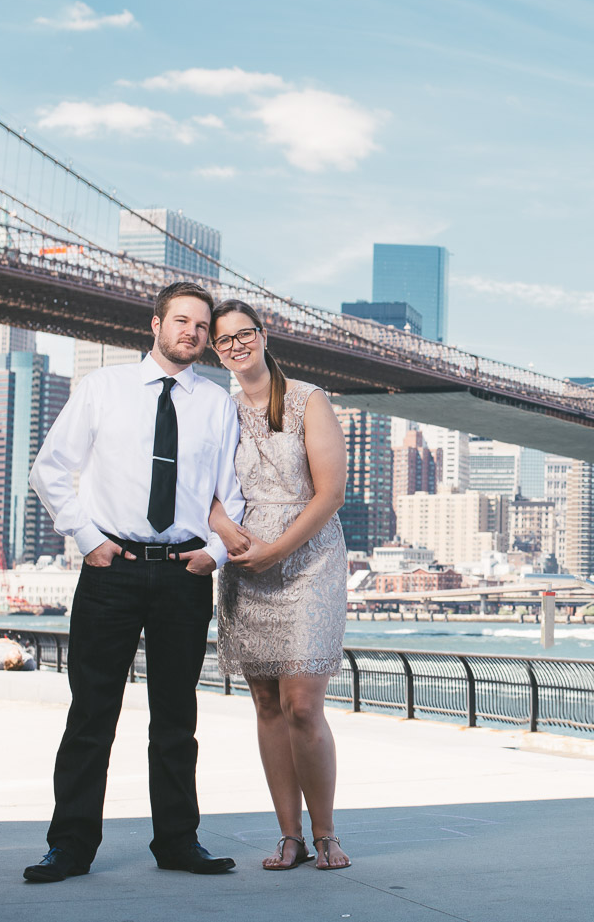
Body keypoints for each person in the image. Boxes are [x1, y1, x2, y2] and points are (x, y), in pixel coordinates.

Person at [24, 281, 245, 883]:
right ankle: (69, 845)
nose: (192, 334)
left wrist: (217, 553)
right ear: (155, 324)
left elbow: (235, 493)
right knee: (91, 714)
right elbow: (50, 470)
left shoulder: (217, 405)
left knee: (177, 718)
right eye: (181, 322)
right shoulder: (102, 389)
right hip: (111, 572)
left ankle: (178, 842)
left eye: (202, 327)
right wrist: (89, 540)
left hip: (183, 575)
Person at [207, 298, 351, 871]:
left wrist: (278, 551)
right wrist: (227, 533)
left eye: (246, 334)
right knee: (266, 702)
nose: (237, 345)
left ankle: (326, 834)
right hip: (244, 562)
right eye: (225, 340)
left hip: (309, 562)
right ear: (216, 351)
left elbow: (330, 493)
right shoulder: (217, 412)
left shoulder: (308, 400)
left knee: (302, 705)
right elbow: (202, 488)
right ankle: (288, 836)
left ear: (264, 336)